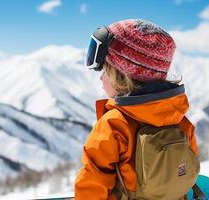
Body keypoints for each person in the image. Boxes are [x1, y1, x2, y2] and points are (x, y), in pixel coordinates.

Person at [74, 19, 199, 200]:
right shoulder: (179, 118)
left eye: (106, 70)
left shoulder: (113, 124)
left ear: (124, 75)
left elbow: (94, 178)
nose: (101, 78)